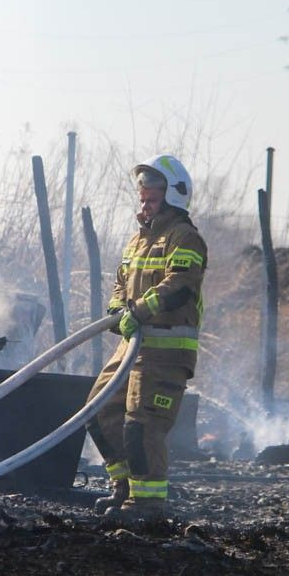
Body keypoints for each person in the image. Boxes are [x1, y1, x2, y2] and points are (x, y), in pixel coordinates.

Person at [88, 155, 208, 521]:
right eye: (141, 199)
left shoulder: (184, 237)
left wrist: (137, 311)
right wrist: (116, 309)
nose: (144, 205)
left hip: (166, 350)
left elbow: (179, 286)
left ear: (172, 197)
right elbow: (121, 282)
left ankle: (147, 505)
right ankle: (124, 489)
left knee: (142, 425)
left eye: (151, 199)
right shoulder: (138, 241)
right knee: (99, 411)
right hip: (134, 346)